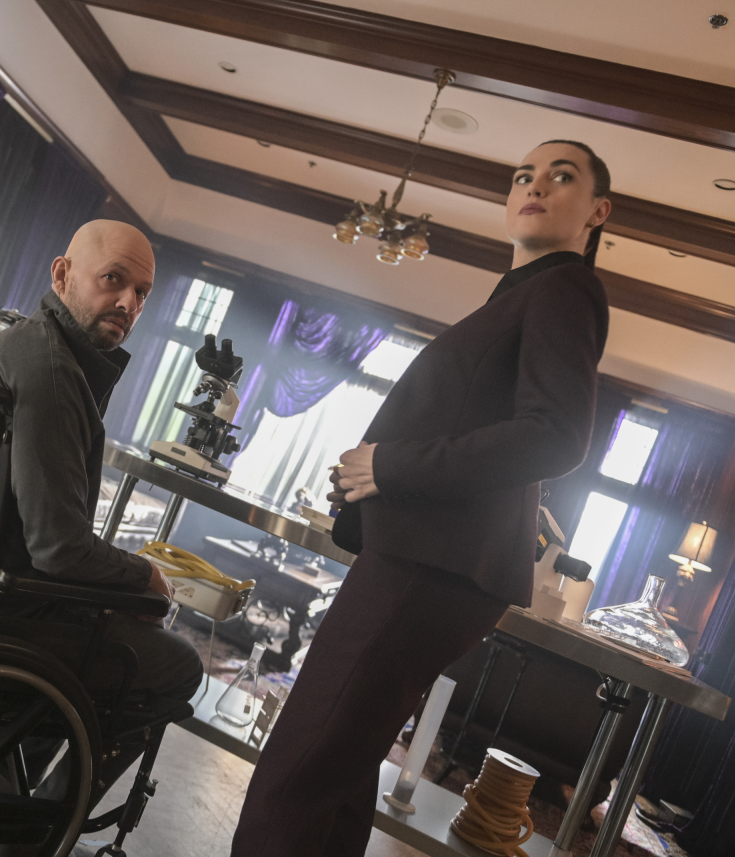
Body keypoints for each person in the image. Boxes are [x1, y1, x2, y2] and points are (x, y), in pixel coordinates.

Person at [230, 140, 613, 856]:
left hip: (430, 568)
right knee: (337, 773)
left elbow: (555, 436)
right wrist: (373, 477)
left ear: (597, 212)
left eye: (561, 177)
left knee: (297, 768)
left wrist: (392, 466)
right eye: (523, 175)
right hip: (428, 562)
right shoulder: (523, 296)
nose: (535, 186)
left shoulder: (564, 289)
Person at [0, 219, 203, 712]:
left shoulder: (23, 343)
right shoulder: (51, 371)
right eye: (113, 279)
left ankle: (28, 754)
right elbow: (60, 550)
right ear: (61, 274)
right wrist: (145, 574)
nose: (129, 303)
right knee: (179, 663)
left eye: (142, 293)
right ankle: (46, 764)